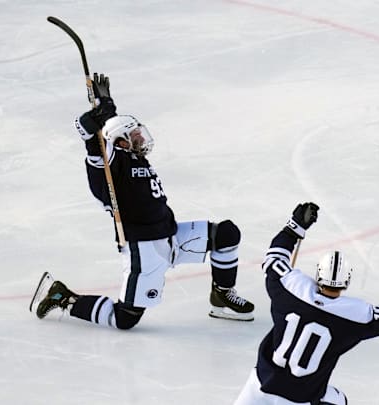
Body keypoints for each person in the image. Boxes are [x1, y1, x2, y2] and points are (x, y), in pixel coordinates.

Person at [30, 73, 254, 329]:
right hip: (144, 249)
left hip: (171, 236)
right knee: (125, 318)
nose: (140, 138)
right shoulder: (111, 165)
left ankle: (222, 295)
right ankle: (63, 297)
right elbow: (90, 137)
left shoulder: (136, 158)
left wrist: (109, 108)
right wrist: (99, 119)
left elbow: (112, 132)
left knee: (225, 234)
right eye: (134, 135)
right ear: (121, 140)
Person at [234, 202, 379, 404]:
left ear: (318, 273)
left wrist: (294, 228)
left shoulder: (290, 287)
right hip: (299, 399)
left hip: (258, 386)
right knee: (338, 400)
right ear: (347, 281)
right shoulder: (355, 315)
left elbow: (274, 259)